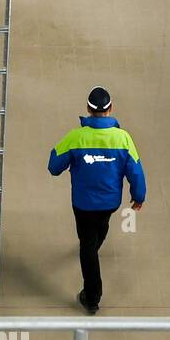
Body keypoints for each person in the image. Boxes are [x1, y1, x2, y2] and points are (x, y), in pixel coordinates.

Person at [47, 86, 147, 314]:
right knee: (99, 231)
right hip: (110, 203)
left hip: (82, 204)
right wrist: (138, 197)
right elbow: (136, 171)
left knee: (87, 245)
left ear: (88, 109)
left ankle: (91, 297)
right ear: (111, 109)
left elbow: (54, 167)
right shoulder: (123, 139)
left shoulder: (75, 137)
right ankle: (94, 245)